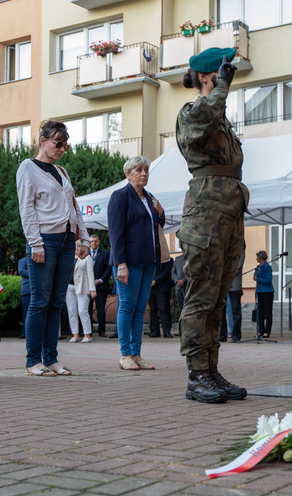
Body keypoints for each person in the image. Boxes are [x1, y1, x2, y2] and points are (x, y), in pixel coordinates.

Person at [176, 48, 248, 403]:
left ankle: (211, 370)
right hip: (205, 214)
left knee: (217, 300)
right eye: (219, 71)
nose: (226, 76)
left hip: (228, 214)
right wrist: (221, 87)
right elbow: (207, 112)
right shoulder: (192, 113)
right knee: (201, 297)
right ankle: (196, 375)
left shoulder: (219, 117)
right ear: (206, 76)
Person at [17, 120, 89, 377]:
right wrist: (35, 243)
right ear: (42, 140)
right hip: (44, 241)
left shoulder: (62, 171)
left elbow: (74, 206)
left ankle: (52, 358)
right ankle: (33, 360)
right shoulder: (28, 167)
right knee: (40, 301)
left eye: (65, 145)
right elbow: (26, 209)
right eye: (58, 143)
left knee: (56, 302)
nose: (61, 148)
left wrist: (85, 239)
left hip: (67, 241)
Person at [108, 155, 163, 372]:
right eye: (138, 170)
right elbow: (115, 233)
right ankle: (125, 354)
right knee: (128, 306)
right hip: (128, 262)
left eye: (146, 170)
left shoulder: (149, 198)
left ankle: (137, 353)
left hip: (148, 261)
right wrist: (121, 263)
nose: (144, 174)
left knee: (140, 309)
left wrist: (161, 212)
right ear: (127, 174)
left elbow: (155, 226)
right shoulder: (120, 196)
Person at [67, 244, 96, 343]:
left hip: (82, 287)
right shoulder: (68, 257)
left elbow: (90, 273)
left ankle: (87, 335)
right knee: (71, 311)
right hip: (69, 287)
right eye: (74, 246)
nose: (76, 248)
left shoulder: (86, 258)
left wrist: (92, 289)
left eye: (78, 246)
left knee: (82, 311)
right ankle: (75, 335)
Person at [88, 235, 112, 337]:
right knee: (87, 309)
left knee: (100, 309)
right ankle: (88, 329)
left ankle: (101, 330)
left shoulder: (105, 254)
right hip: (88, 287)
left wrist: (101, 280)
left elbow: (108, 269)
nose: (93, 243)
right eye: (91, 241)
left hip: (100, 286)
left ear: (99, 242)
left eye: (95, 241)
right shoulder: (85, 253)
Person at [222, 251, 244, 342]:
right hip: (222, 283)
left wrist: (227, 273)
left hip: (234, 284)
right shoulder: (223, 241)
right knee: (221, 310)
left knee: (235, 310)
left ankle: (236, 335)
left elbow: (239, 265)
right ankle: (221, 335)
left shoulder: (240, 243)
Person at [148, 258, 174, 338]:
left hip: (162, 288)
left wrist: (155, 280)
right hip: (150, 288)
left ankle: (166, 331)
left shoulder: (168, 259)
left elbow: (166, 272)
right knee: (153, 309)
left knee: (163, 309)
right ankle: (155, 331)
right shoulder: (150, 258)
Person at [253, 251, 274, 338]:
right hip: (259, 292)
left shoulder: (267, 267)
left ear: (261, 258)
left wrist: (258, 279)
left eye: (257, 257)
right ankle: (260, 330)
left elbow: (268, 280)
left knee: (267, 312)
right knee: (259, 311)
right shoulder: (258, 267)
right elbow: (255, 276)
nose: (256, 259)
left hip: (267, 292)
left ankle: (267, 331)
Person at [17, 255, 30, 339]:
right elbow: (22, 271)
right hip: (27, 290)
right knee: (26, 312)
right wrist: (35, 272)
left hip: (37, 290)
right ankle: (25, 332)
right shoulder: (22, 261)